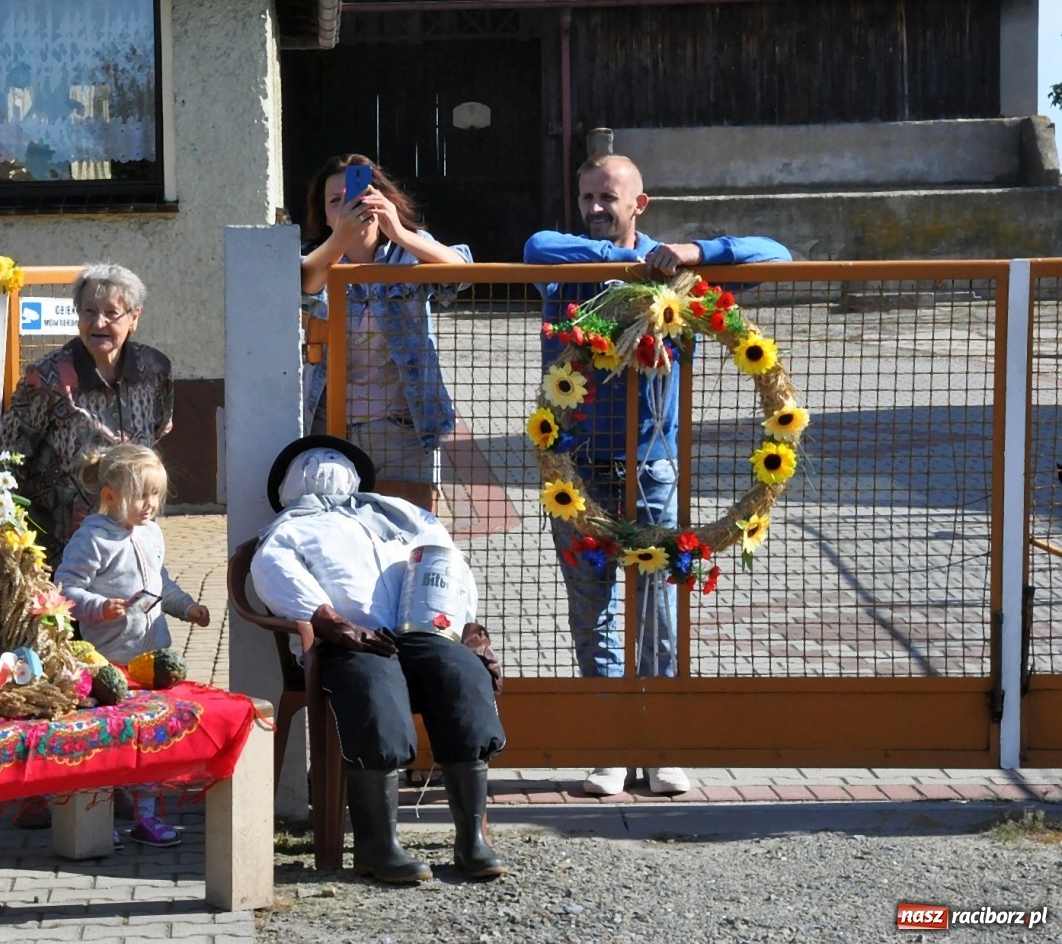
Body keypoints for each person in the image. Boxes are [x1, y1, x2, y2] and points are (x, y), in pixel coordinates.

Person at [523, 154, 791, 797]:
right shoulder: (565, 265)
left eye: (607, 197)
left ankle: (660, 745)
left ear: (639, 203)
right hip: (574, 472)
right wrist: (626, 267)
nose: (594, 208)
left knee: (657, 608)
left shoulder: (680, 278)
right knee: (591, 608)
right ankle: (610, 745)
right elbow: (536, 246)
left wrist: (693, 253)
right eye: (586, 196)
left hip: (651, 470)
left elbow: (777, 255)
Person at [250, 435, 508, 883]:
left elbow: (448, 563)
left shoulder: (400, 514)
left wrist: (462, 623)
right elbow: (274, 572)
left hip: (418, 631)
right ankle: (377, 845)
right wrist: (330, 620)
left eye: (336, 457)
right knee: (374, 686)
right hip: (346, 643)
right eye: (311, 461)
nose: (326, 462)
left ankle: (472, 839)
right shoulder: (288, 530)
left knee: (461, 676)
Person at [54, 444, 210, 847]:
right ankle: (98, 817)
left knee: (150, 740)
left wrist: (186, 607)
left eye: (156, 495)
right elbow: (65, 588)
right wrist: (99, 606)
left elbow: (161, 582)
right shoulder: (92, 539)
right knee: (109, 742)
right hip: (110, 662)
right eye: (142, 495)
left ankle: (147, 816)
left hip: (152, 660)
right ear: (110, 496)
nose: (151, 504)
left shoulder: (151, 533)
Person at [299, 154, 472, 489]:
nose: (349, 207)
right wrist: (341, 240)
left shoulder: (409, 251)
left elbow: (462, 273)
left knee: (407, 521)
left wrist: (400, 231)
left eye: (359, 195)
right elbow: (304, 284)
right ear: (324, 214)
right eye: (336, 201)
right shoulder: (314, 256)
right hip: (330, 425)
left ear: (382, 200)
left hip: (403, 427)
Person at [0, 262, 174, 555]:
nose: (99, 323)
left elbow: (159, 426)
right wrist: (9, 534)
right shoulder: (47, 377)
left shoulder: (155, 369)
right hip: (62, 546)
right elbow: (10, 455)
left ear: (134, 317)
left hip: (133, 538)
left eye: (112, 312)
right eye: (89, 311)